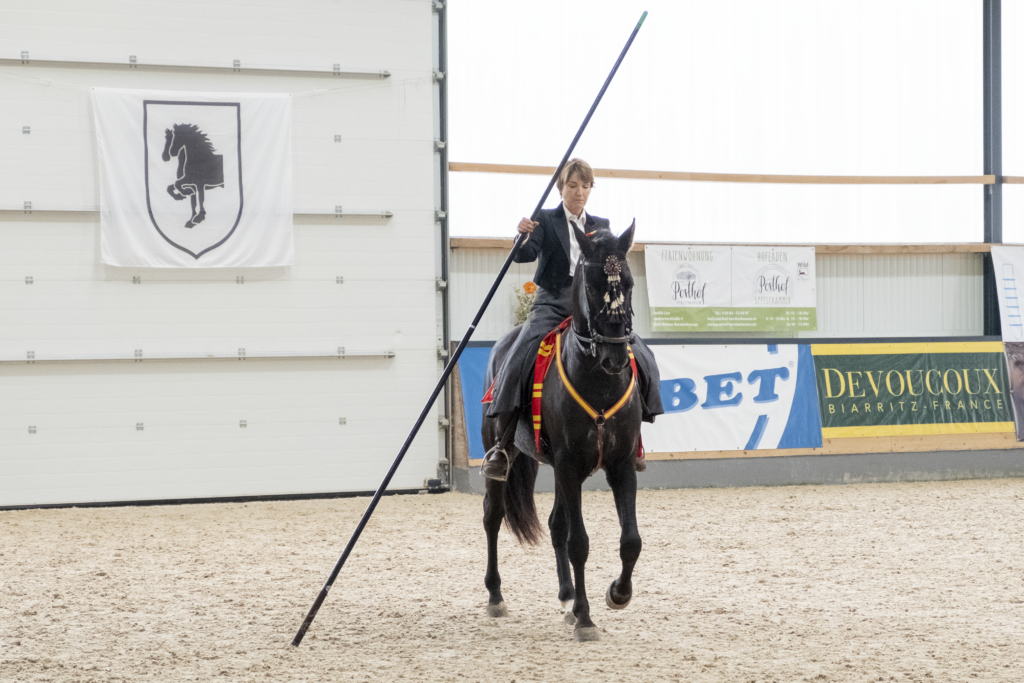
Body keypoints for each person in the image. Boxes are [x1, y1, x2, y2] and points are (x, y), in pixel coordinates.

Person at [481, 158, 663, 481]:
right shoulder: (545, 220)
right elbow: (524, 254)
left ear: (591, 189)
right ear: (561, 188)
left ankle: (634, 437)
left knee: (639, 353)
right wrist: (521, 236)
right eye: (572, 186)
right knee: (519, 354)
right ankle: (503, 443)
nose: (579, 192)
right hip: (552, 303)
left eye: (585, 186)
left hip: (593, 306)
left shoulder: (601, 225)